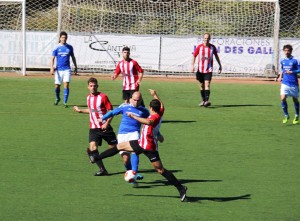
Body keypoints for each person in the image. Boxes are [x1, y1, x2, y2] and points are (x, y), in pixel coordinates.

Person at [97, 89, 187, 202]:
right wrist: (155, 95)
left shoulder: (154, 117)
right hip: (140, 143)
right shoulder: (156, 113)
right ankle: (95, 158)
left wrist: (134, 117)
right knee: (119, 147)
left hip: (149, 147)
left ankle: (181, 188)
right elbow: (160, 107)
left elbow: (148, 123)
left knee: (160, 169)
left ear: (150, 108)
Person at [73, 77, 118, 176]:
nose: (93, 87)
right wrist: (80, 110)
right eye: (91, 86)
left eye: (94, 86)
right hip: (93, 128)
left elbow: (111, 112)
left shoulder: (103, 97)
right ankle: (102, 169)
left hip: (105, 127)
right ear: (88, 87)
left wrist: (106, 123)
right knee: (93, 148)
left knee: (115, 149)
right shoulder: (88, 97)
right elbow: (91, 110)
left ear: (97, 86)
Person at [101, 91, 149, 181]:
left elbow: (151, 122)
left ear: (141, 100)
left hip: (134, 133)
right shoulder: (124, 107)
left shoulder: (144, 111)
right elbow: (112, 113)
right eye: (134, 100)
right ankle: (129, 173)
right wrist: (102, 118)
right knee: (126, 159)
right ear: (131, 99)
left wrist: (157, 134)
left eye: (138, 100)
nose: (136, 102)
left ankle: (134, 172)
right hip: (122, 134)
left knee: (135, 151)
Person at [191, 33, 222, 107]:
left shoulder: (212, 47)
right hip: (200, 70)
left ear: (210, 39)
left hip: (208, 70)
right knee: (201, 85)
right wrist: (192, 65)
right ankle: (203, 100)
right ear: (203, 38)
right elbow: (194, 56)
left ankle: (207, 101)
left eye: (208, 38)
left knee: (207, 84)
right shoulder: (199, 47)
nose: (206, 40)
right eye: (205, 38)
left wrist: (220, 65)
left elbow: (216, 56)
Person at [50, 31, 78, 107]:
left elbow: (73, 57)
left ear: (67, 38)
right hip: (58, 70)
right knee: (57, 86)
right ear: (60, 38)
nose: (64, 39)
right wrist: (51, 68)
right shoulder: (56, 47)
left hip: (67, 69)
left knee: (66, 85)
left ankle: (65, 102)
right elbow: (52, 58)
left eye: (65, 37)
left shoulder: (70, 47)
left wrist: (75, 66)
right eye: (62, 37)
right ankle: (57, 98)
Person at [277, 44, 300, 124]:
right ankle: (286, 115)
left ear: (291, 51)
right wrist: (280, 76)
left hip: (293, 83)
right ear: (283, 51)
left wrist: (292, 72)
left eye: (288, 50)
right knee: (283, 98)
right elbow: (282, 69)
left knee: (295, 100)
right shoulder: (282, 60)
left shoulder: (295, 60)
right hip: (285, 83)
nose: (286, 52)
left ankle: (297, 115)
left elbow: (299, 70)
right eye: (285, 51)